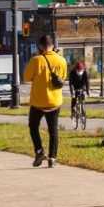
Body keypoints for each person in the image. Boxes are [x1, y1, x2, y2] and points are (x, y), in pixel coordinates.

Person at [23, 35, 68, 168]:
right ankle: (52, 158)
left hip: (38, 102)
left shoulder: (36, 60)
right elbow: (63, 77)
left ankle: (39, 151)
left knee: (33, 126)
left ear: (40, 46)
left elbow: (26, 77)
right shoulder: (62, 60)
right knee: (53, 131)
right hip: (54, 102)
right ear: (53, 46)